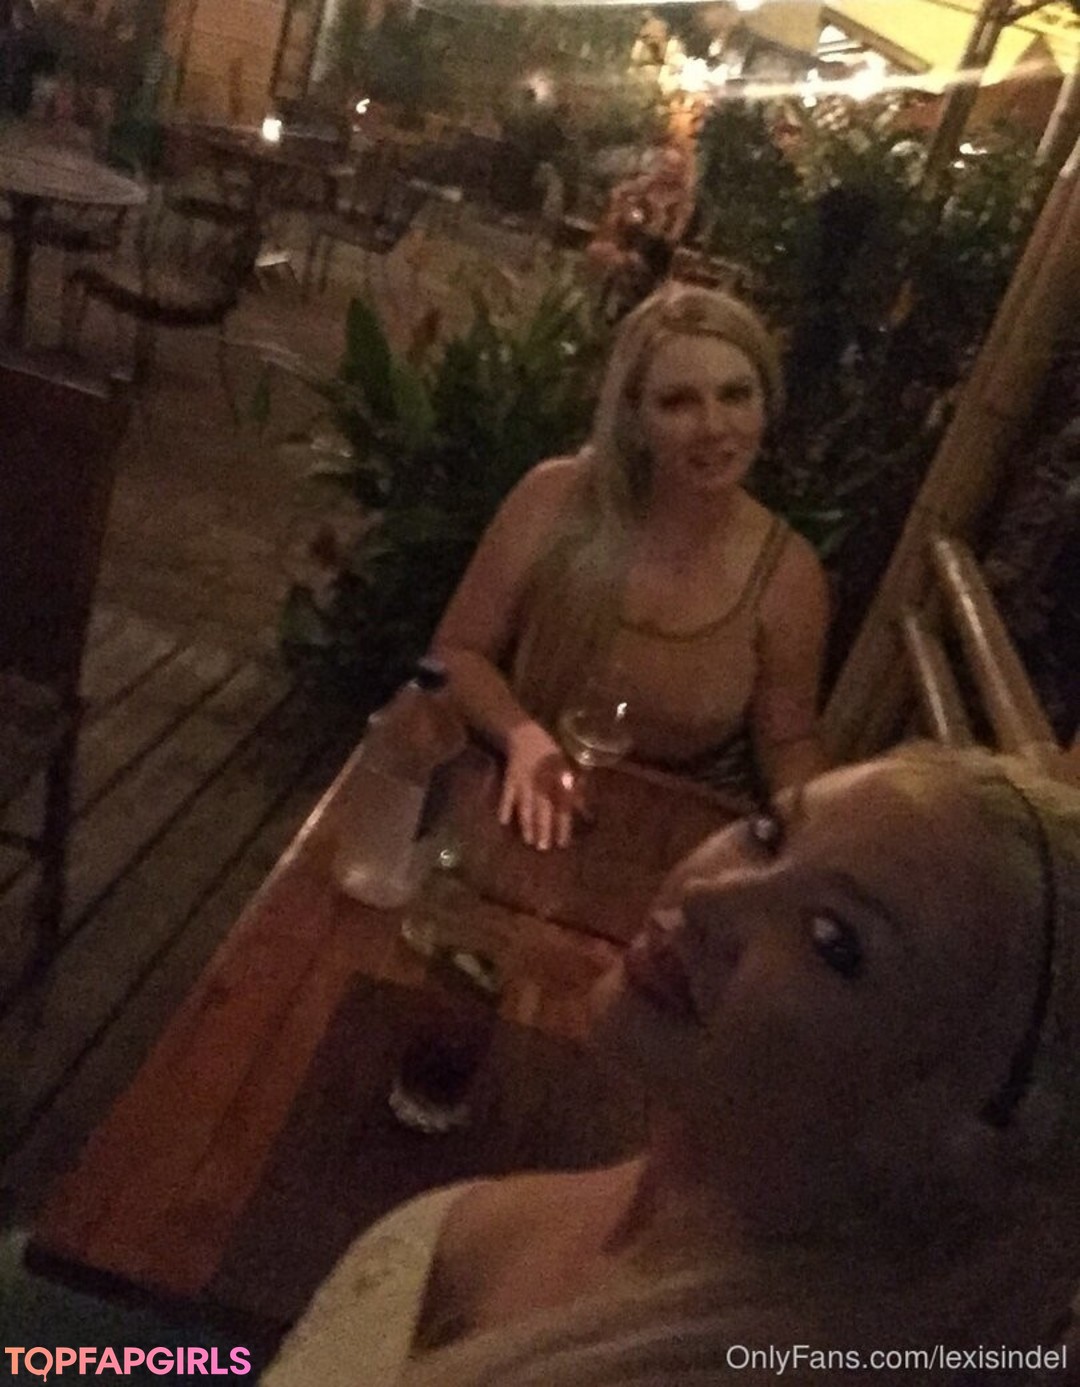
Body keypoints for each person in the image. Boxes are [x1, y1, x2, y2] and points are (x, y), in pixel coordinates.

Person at [263, 746, 1080, 1385]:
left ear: (959, 1127)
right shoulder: (664, 1200)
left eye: (832, 938)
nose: (710, 897)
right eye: (769, 834)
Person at [433, 282, 830, 851]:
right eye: (678, 402)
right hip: (516, 793)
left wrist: (819, 839)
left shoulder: (787, 573)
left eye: (736, 395)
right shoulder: (555, 497)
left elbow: (787, 742)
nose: (714, 425)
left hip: (665, 836)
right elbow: (456, 653)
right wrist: (523, 737)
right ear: (635, 417)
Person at [587, 143, 697, 319]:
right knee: (607, 255)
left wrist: (656, 220)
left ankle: (620, 313)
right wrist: (622, 211)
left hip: (656, 254)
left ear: (682, 172)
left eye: (674, 166)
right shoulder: (645, 185)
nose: (667, 170)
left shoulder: (684, 202)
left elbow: (672, 238)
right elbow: (617, 194)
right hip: (629, 243)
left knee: (629, 262)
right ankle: (599, 312)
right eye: (665, 163)